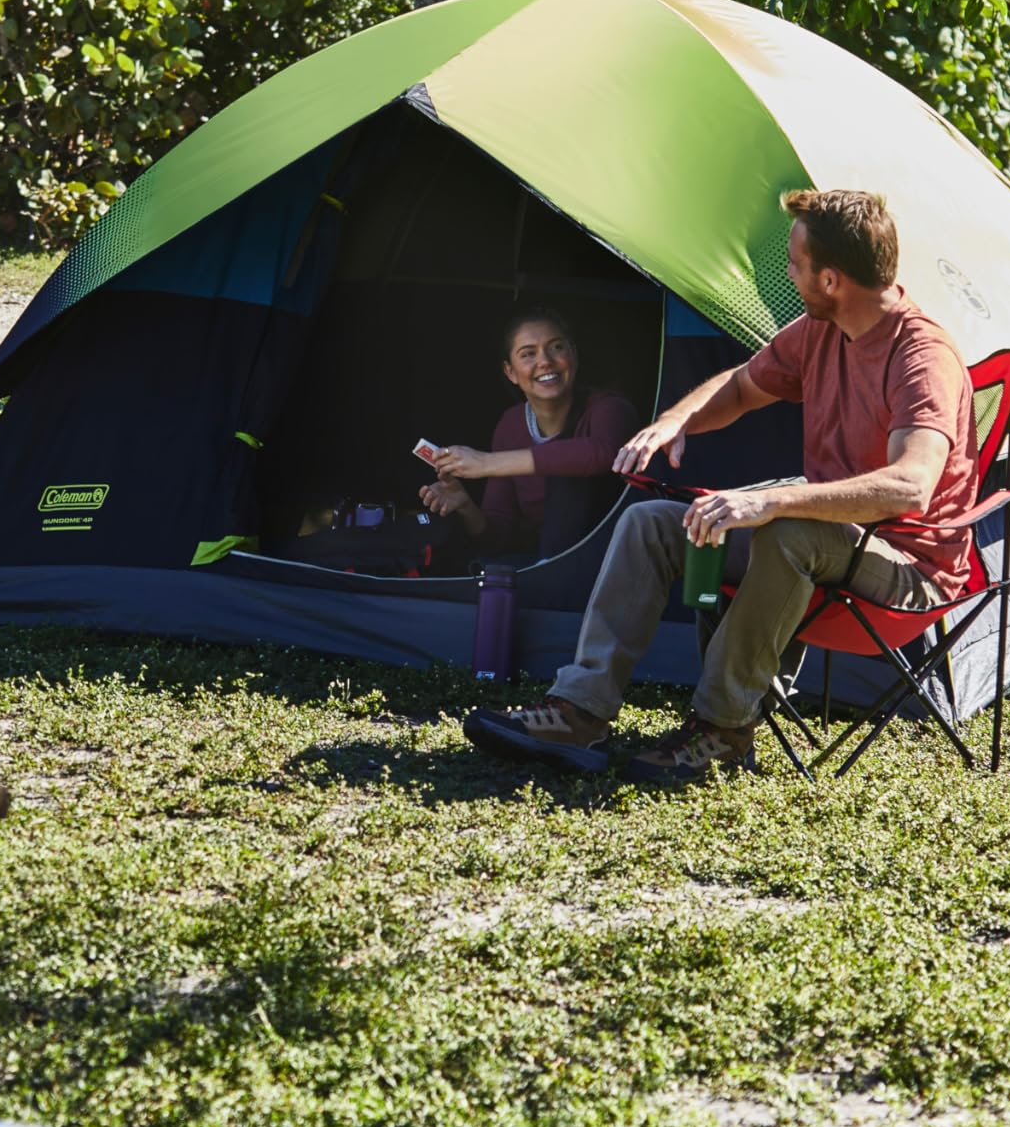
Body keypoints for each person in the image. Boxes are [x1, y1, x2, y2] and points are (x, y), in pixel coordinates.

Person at [463, 189, 979, 785]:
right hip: (830, 535)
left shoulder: (921, 356)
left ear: (831, 279)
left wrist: (768, 499)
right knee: (652, 522)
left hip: (908, 561)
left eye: (795, 263)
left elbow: (908, 487)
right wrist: (673, 420)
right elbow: (739, 386)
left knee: (785, 528)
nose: (789, 274)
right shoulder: (822, 329)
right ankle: (581, 709)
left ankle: (725, 729)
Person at [418, 309, 640, 560]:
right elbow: (498, 534)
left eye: (556, 347)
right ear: (510, 372)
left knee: (567, 480)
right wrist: (466, 506)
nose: (544, 361)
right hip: (542, 565)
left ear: (573, 355)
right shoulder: (510, 424)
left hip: (609, 559)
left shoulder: (609, 408)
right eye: (528, 354)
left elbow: (602, 453)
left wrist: (487, 463)